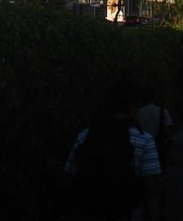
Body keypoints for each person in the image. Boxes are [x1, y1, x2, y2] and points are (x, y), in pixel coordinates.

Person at [65, 80, 162, 221]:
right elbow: (151, 188)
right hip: (127, 213)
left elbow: (70, 176)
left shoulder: (86, 135)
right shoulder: (144, 140)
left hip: (91, 213)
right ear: (132, 105)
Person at [136, 85, 174, 166]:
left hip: (143, 148)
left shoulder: (138, 113)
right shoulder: (163, 111)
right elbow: (168, 134)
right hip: (159, 147)